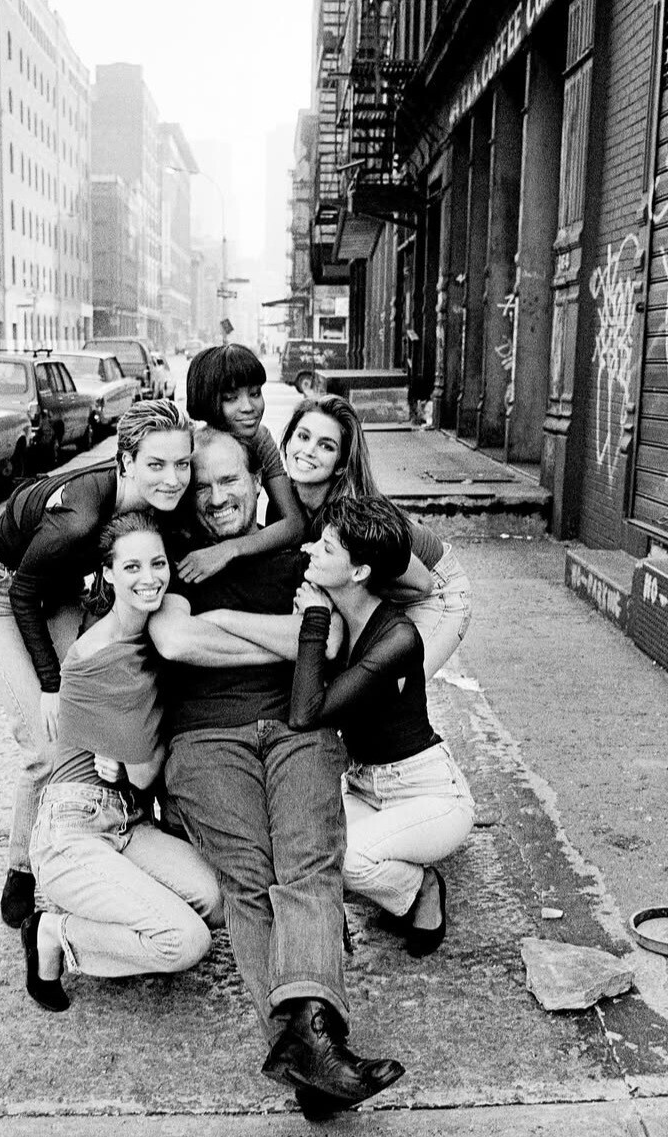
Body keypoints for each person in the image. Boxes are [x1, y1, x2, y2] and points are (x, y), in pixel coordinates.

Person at [149, 426, 405, 1117]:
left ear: (258, 483)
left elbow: (330, 640)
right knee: (250, 876)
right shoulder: (174, 559)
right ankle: (318, 1053)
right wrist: (288, 641)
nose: (216, 497)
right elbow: (177, 641)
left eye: (229, 480)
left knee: (308, 863)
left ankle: (307, 1055)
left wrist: (225, 621)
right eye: (203, 486)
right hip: (204, 738)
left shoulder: (301, 556)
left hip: (298, 728)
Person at [0, 400, 193, 929]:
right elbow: (22, 594)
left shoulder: (156, 501)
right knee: (46, 740)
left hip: (59, 582)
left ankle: (123, 819)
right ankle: (23, 868)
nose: (173, 478)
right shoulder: (79, 519)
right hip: (0, 588)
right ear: (126, 461)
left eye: (182, 463)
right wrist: (50, 685)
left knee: (103, 681)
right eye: (157, 464)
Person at [20, 511, 222, 1013]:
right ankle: (54, 931)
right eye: (131, 567)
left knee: (218, 900)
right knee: (185, 941)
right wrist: (144, 755)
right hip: (73, 830)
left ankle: (120, 914)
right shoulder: (101, 658)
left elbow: (139, 770)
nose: (149, 578)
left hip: (127, 822)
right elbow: (146, 773)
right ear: (107, 574)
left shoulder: (151, 630)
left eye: (157, 563)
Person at [288, 496, 475, 955]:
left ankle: (421, 887)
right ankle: (400, 886)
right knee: (309, 852)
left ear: (359, 572)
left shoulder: (398, 638)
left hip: (428, 795)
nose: (311, 550)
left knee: (350, 860)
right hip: (362, 787)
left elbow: (306, 713)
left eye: (326, 548)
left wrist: (314, 619)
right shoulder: (340, 613)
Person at [276, 394, 473, 679]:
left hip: (436, 591)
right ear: (288, 440)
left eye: (326, 446)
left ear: (341, 464)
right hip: (380, 586)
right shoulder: (285, 499)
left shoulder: (352, 512)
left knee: (392, 690)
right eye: (303, 436)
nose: (308, 451)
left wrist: (342, 590)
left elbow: (422, 584)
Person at [178, 343, 304, 584]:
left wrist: (229, 549)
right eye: (231, 398)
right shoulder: (189, 445)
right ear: (207, 400)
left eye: (255, 393)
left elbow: (294, 524)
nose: (248, 408)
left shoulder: (259, 438)